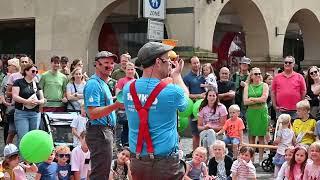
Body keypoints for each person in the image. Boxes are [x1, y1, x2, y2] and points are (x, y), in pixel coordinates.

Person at [123, 42, 189, 180]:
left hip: (138, 160)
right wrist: (176, 76)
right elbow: (186, 104)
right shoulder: (172, 91)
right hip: (164, 163)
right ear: (158, 62)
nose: (170, 64)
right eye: (167, 60)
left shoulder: (128, 88)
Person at [83, 51, 123, 179]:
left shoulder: (102, 83)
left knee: (103, 171)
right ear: (97, 64)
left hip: (104, 131)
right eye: (106, 63)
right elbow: (93, 113)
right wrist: (116, 105)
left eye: (112, 63)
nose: (110, 66)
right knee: (100, 173)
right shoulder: (93, 84)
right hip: (99, 132)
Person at [12, 64, 45, 144]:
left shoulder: (36, 84)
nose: (35, 73)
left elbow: (43, 100)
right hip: (21, 113)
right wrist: (27, 101)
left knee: (33, 137)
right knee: (23, 137)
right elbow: (15, 96)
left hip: (35, 114)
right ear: (26, 71)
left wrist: (38, 102)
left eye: (36, 72)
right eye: (33, 71)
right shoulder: (18, 82)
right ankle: (21, 156)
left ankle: (30, 156)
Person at [243, 67, 269, 163]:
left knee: (261, 136)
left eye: (259, 73)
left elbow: (264, 99)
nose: (258, 75)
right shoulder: (247, 86)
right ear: (251, 76)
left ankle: (261, 159)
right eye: (256, 74)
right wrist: (258, 100)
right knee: (251, 136)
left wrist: (252, 99)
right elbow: (245, 102)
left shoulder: (265, 85)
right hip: (251, 113)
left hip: (262, 112)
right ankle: (251, 159)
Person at [183, 56, 206, 153]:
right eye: (194, 63)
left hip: (205, 108)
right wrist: (199, 96)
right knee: (195, 133)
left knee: (205, 133)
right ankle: (195, 152)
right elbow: (187, 95)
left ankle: (205, 153)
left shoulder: (205, 76)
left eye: (197, 62)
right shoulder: (187, 78)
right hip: (194, 109)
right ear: (190, 64)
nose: (196, 65)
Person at [197, 89, 228, 157]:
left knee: (205, 140)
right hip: (205, 132)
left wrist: (212, 127)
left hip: (218, 133)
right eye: (210, 95)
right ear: (207, 97)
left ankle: (206, 160)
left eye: (214, 96)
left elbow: (223, 127)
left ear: (216, 97)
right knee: (209, 132)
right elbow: (199, 127)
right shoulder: (202, 108)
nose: (212, 97)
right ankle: (213, 156)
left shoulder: (222, 108)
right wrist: (205, 127)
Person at [115, 62, 136, 146]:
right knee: (126, 129)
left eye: (132, 69)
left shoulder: (137, 81)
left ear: (135, 70)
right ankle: (125, 146)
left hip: (136, 111)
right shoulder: (121, 81)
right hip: (125, 110)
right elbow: (118, 95)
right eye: (128, 69)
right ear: (125, 70)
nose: (130, 71)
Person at [0, 58, 20, 144]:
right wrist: (4, 100)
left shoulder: (21, 76)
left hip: (17, 105)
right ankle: (7, 147)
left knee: (17, 129)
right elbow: (2, 91)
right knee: (8, 128)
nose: (7, 67)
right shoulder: (5, 77)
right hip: (7, 106)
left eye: (9, 65)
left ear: (15, 66)